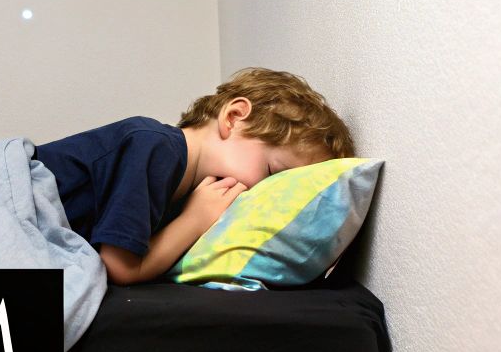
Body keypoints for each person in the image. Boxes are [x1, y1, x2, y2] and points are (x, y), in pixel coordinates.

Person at [31, 67, 357, 286]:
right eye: (271, 172)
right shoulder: (155, 148)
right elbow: (120, 267)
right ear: (234, 117)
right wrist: (195, 220)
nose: (259, 191)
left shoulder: (181, 187)